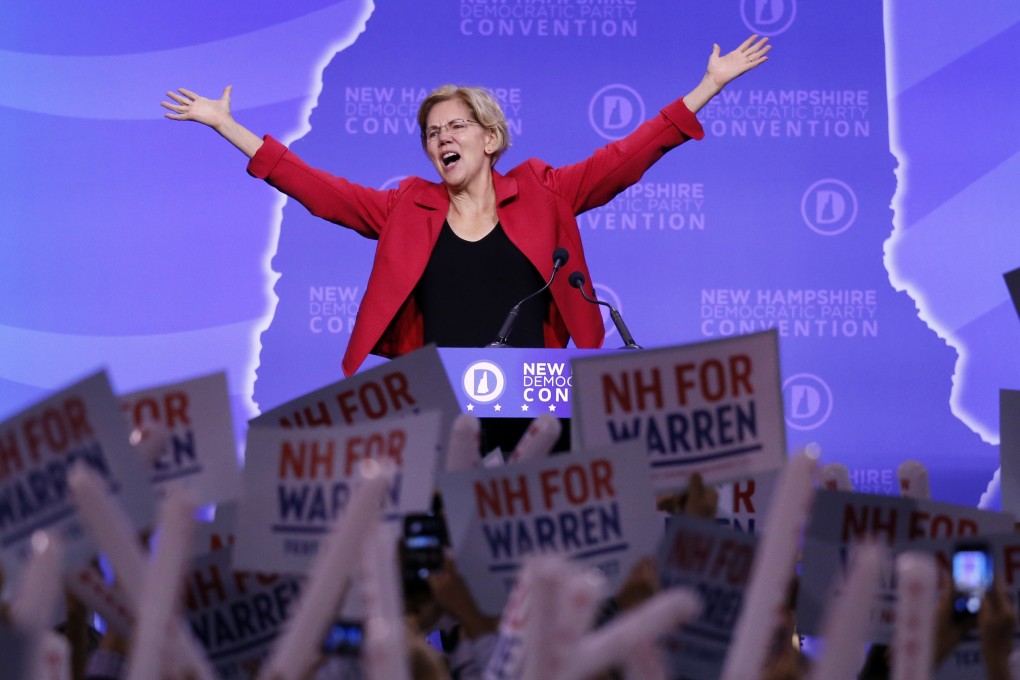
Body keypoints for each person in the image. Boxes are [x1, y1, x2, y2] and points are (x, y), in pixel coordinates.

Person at [161, 35, 770, 380]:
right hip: (442, 395)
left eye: (457, 126)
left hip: (540, 394)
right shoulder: (406, 206)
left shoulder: (543, 190)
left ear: (491, 138)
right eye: (432, 133)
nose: (443, 138)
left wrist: (708, 87)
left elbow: (625, 157)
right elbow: (316, 189)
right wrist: (227, 126)